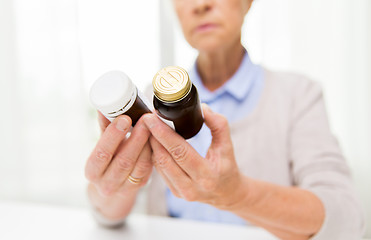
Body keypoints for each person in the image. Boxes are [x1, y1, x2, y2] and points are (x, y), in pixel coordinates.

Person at [85, 0, 365, 239]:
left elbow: (348, 221)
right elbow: (107, 218)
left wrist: (238, 195)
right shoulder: (151, 102)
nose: (201, 5)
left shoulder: (298, 95)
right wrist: (116, 184)